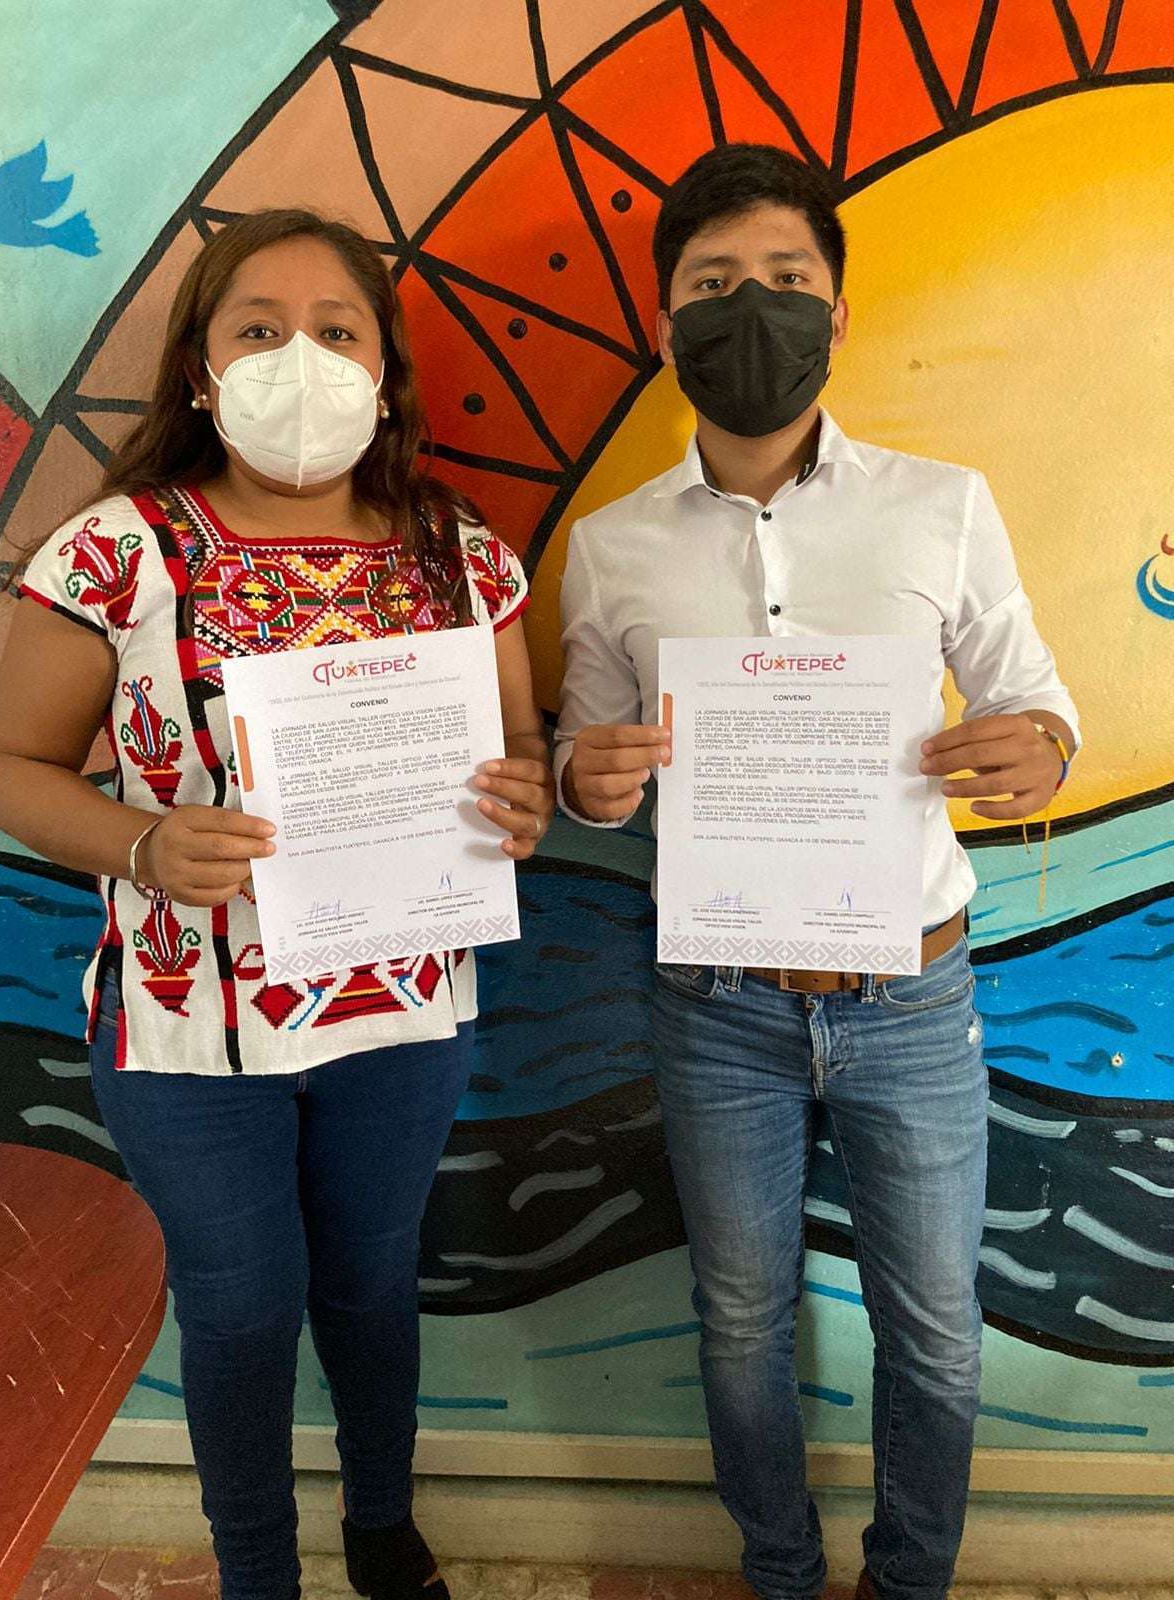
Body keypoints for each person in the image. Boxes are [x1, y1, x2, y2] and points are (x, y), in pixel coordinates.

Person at [0, 209, 554, 1600]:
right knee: (239, 1309)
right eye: (259, 328)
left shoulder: (459, 554)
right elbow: (6, 767)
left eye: (338, 331)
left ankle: (381, 1527)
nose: (303, 358)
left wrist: (523, 800)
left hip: (402, 1010)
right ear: (199, 367)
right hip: (188, 1023)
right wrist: (141, 844)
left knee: (371, 1285)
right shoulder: (112, 554)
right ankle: (258, 1574)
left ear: (385, 372)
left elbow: (519, 749)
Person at [554, 145, 1078, 1600]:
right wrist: (591, 777)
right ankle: (778, 1575)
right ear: (668, 321)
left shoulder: (943, 504)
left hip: (913, 995)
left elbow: (1037, 703)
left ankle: (910, 1582)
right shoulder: (608, 548)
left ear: (837, 314)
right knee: (738, 1323)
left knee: (940, 1333)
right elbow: (587, 756)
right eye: (713, 282)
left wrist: (1038, 749)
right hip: (715, 1001)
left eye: (786, 278)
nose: (753, 306)